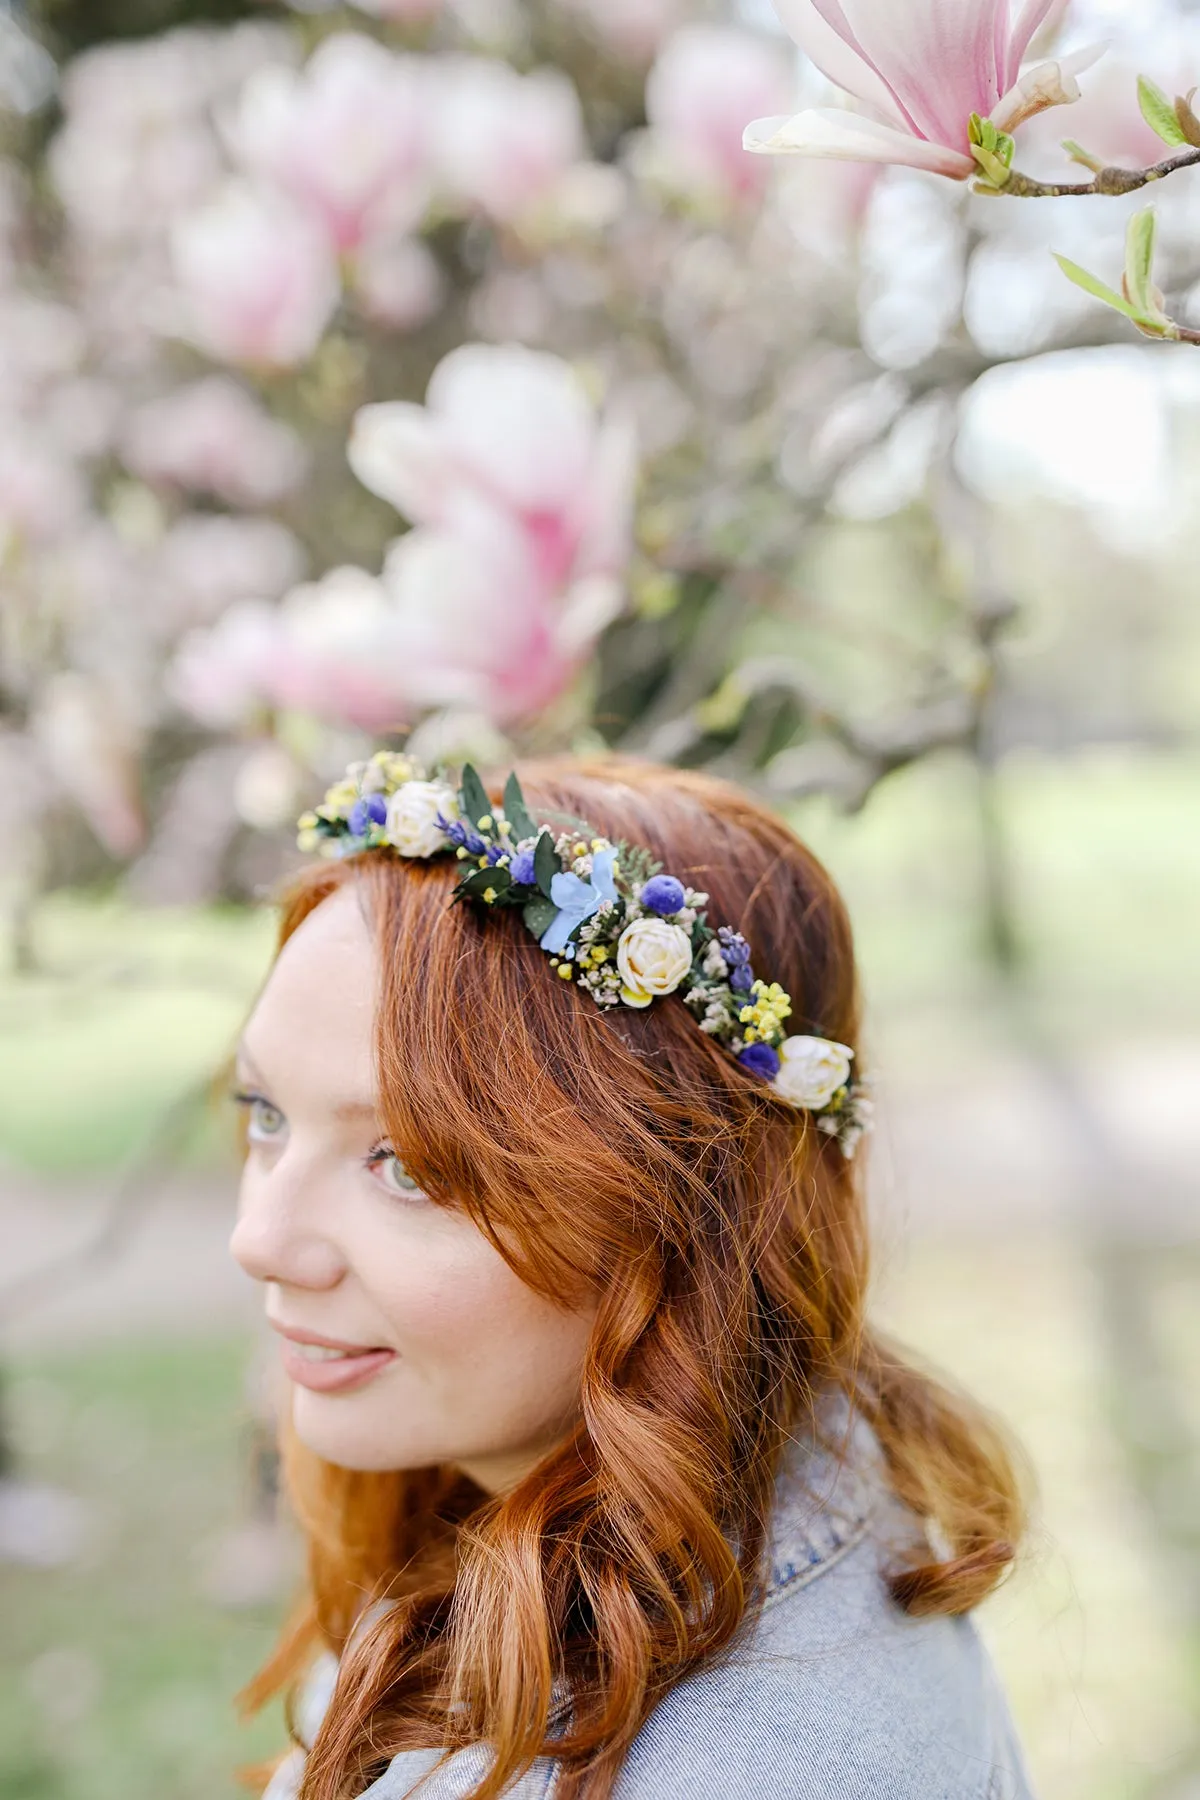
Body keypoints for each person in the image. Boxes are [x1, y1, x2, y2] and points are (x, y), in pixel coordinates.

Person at [228, 750, 1038, 1800]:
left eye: (412, 1167)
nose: (262, 1239)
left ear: (684, 1216)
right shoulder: (541, 1505)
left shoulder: (736, 1769)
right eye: (265, 1115)